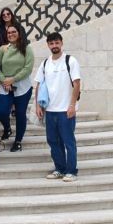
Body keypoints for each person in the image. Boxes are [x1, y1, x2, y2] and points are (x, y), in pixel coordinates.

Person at [34, 31, 82, 182]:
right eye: (51, 43)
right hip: (50, 110)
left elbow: (77, 84)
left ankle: (72, 171)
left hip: (65, 110)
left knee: (68, 141)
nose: (54, 46)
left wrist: (72, 105)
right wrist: (37, 106)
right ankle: (59, 169)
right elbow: (39, 85)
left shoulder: (70, 61)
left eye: (57, 43)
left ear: (61, 43)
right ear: (48, 45)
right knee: (53, 141)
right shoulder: (45, 63)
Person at [0, 23, 35, 152]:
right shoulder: (3, 49)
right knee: (1, 112)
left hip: (22, 86)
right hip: (5, 85)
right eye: (8, 33)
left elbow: (28, 68)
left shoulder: (27, 48)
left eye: (14, 32)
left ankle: (18, 140)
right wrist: (4, 80)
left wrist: (12, 79)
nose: (11, 34)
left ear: (19, 33)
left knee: (20, 114)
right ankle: (7, 128)